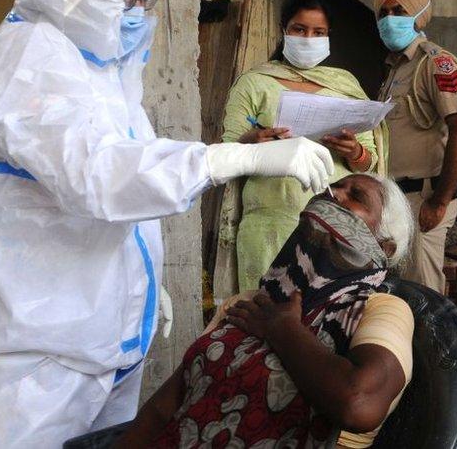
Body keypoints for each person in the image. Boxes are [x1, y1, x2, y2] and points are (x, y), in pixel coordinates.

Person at [0, 0, 335, 447]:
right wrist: (234, 157)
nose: (137, 10)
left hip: (97, 332)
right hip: (33, 350)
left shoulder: (106, 74)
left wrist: (139, 286)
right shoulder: (26, 57)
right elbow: (95, 175)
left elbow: (129, 180)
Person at [117, 174, 415, 448]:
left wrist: (283, 330)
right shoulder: (252, 301)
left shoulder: (383, 310)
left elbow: (358, 403)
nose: (333, 194)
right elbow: (162, 410)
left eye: (356, 197)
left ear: (384, 248)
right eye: (333, 187)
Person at [219, 0, 386, 291]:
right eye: (299, 29)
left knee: (322, 311)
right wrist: (254, 139)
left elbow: (369, 159)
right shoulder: (254, 82)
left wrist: (355, 151)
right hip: (270, 219)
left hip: (334, 223)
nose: (309, 38)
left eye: (318, 32)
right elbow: (227, 149)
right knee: (264, 309)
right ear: (284, 30)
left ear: (329, 36)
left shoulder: (344, 85)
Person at [372, 0, 457, 294]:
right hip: (395, 199)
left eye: (399, 11)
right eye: (383, 12)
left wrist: (440, 200)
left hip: (424, 200)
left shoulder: (436, 63)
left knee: (425, 299)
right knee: (401, 299)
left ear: (418, 14)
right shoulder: (395, 69)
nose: (390, 20)